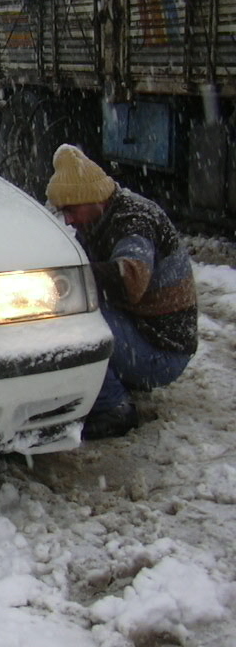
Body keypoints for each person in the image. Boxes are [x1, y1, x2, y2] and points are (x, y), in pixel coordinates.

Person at [46, 144, 198, 440]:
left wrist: (60, 279)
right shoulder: (105, 213)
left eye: (71, 210)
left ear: (91, 200)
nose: (69, 219)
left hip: (163, 351)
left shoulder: (134, 221)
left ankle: (114, 408)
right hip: (143, 333)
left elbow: (130, 281)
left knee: (73, 315)